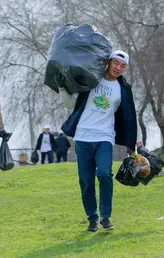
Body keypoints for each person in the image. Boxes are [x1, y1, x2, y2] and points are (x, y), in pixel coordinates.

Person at [60, 50, 143, 232]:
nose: (118, 68)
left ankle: (106, 216)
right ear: (108, 62)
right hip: (82, 137)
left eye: (123, 66)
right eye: (116, 63)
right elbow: (69, 103)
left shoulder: (123, 88)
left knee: (104, 173)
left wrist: (137, 143)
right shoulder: (91, 79)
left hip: (105, 137)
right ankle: (92, 218)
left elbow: (130, 116)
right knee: (86, 181)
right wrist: (62, 89)